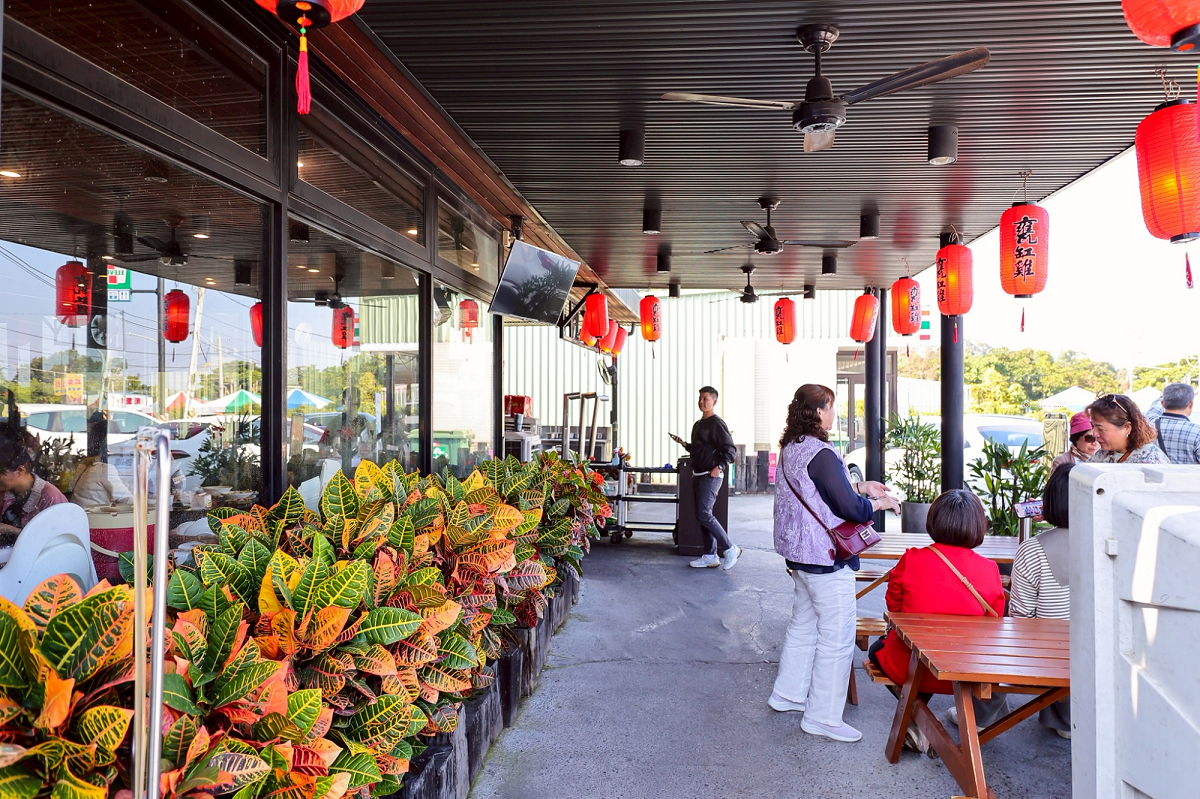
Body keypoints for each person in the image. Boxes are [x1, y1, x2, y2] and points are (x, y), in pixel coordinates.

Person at [769, 384, 898, 743]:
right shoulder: (821, 452)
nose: (833, 414)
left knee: (804, 625)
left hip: (799, 554)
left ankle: (788, 694)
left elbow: (821, 493)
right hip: (825, 558)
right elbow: (849, 510)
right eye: (830, 407)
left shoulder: (792, 448)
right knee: (837, 636)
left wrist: (860, 487)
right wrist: (881, 504)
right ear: (817, 413)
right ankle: (823, 716)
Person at [869, 489, 1006, 748]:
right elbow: (995, 620)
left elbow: (893, 607)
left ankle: (919, 722)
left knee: (879, 650)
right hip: (965, 671)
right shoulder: (990, 570)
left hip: (914, 665)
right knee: (930, 653)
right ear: (977, 525)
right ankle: (920, 721)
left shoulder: (911, 559)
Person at [1009, 463, 1073, 738]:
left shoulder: (1031, 550)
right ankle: (1068, 716)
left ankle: (984, 716)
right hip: (1097, 653)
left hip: (1045, 655)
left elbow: (1020, 615)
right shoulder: (1111, 546)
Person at [671, 386, 742, 570]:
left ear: (714, 401)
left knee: (704, 513)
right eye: (700, 399)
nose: (702, 402)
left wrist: (718, 467)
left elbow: (730, 451)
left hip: (711, 475)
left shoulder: (717, 423)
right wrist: (685, 444)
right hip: (698, 473)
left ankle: (730, 548)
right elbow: (699, 449)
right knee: (702, 515)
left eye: (705, 399)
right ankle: (710, 555)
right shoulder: (698, 424)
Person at [0, 425, 68, 540]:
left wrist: (11, 530)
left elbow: (57, 540)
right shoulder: (5, 493)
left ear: (20, 470)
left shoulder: (50, 497)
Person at [70, 413, 133, 508]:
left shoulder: (84, 464)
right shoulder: (105, 470)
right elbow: (129, 500)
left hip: (83, 517)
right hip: (97, 520)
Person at [1086, 394, 1170, 464]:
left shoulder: (1151, 460)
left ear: (1127, 427)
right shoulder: (1102, 454)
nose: (1094, 434)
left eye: (1101, 429)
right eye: (1093, 427)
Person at [1150, 383, 1200, 464]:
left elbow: (1154, 410)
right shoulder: (1197, 432)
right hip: (1187, 476)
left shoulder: (1149, 425)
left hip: (1155, 476)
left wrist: (1161, 397)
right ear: (1190, 404)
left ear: (1163, 403)